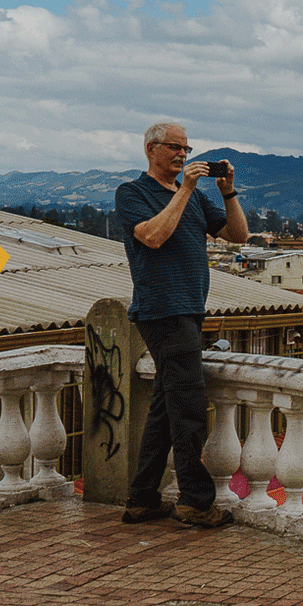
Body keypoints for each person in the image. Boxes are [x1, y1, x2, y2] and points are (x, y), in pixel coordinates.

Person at [114, 121, 249, 528]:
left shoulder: (196, 197)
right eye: (173, 147)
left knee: (165, 408)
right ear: (150, 149)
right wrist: (186, 189)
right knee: (189, 407)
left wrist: (227, 191)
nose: (181, 155)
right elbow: (152, 237)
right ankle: (195, 501)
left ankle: (142, 498)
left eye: (186, 149)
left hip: (188, 309)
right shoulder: (132, 193)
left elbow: (238, 236)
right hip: (162, 310)